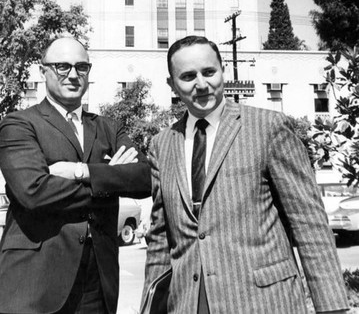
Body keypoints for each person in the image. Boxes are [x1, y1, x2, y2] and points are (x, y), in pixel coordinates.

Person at [141, 35, 349, 314]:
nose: (201, 84)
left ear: (222, 70)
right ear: (172, 84)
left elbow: (308, 223)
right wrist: (149, 306)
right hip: (189, 303)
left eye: (209, 72)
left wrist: (331, 308)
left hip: (264, 302)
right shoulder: (161, 144)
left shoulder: (268, 128)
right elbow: (160, 239)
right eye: (188, 76)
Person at [0, 36, 151, 314]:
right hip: (33, 282)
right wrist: (109, 179)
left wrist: (82, 171)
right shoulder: (19, 124)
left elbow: (145, 178)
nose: (73, 75)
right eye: (62, 66)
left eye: (81, 67)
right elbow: (34, 192)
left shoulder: (109, 128)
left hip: (97, 281)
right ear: (43, 72)